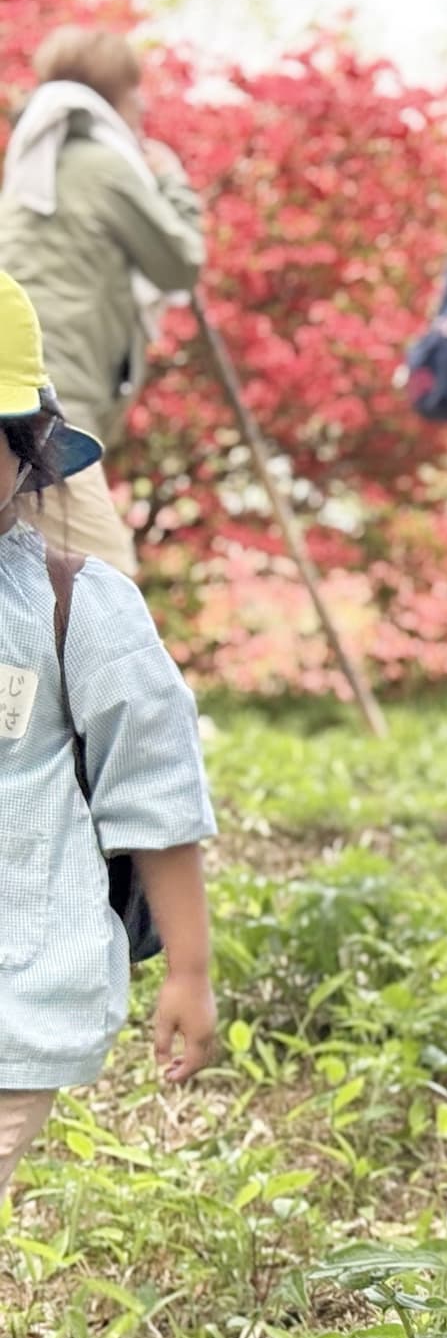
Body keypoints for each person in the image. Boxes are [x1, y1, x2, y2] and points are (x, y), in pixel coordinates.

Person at [0, 271, 217, 1194]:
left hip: (13, 1004)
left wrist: (191, 972)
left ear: (31, 447)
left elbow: (153, 791)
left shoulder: (71, 607)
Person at [0, 25, 206, 578]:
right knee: (106, 592)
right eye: (137, 93)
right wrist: (172, 182)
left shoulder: (30, 167)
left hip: (22, 395)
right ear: (115, 96)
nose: (145, 108)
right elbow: (179, 262)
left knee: (30, 595)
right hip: (46, 405)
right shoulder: (101, 165)